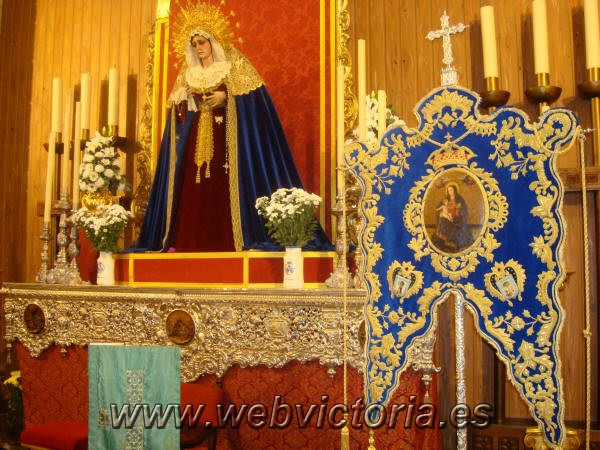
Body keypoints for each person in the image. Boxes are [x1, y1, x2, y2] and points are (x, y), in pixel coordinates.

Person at [130, 2, 330, 252]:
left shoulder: (233, 65)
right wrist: (184, 101)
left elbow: (255, 105)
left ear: (212, 41)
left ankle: (229, 239)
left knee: (222, 190)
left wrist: (226, 98)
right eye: (194, 44)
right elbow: (178, 117)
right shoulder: (188, 73)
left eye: (202, 42)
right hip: (196, 142)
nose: (199, 48)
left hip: (228, 143)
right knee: (193, 189)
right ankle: (189, 242)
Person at [434, 183, 472, 252]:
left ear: (454, 190)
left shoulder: (459, 199)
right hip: (448, 216)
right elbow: (438, 207)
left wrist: (458, 210)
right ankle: (446, 242)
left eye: (451, 190)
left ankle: (453, 244)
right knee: (442, 219)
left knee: (452, 222)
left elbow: (464, 209)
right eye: (448, 191)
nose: (450, 192)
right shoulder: (446, 199)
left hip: (457, 217)